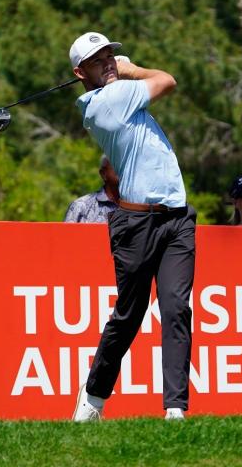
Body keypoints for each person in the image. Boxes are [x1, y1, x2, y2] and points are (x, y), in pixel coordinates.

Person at [69, 31, 196, 422]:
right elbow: (167, 80)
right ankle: (93, 399)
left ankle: (175, 409)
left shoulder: (120, 95)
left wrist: (119, 71)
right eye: (98, 60)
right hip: (137, 222)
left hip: (177, 217)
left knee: (177, 309)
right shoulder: (106, 102)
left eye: (111, 56)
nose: (108, 63)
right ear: (80, 73)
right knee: (129, 314)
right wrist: (131, 68)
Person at [63, 156, 119, 223]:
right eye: (117, 166)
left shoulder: (130, 207)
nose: (123, 172)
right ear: (103, 174)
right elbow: (67, 230)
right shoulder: (80, 206)